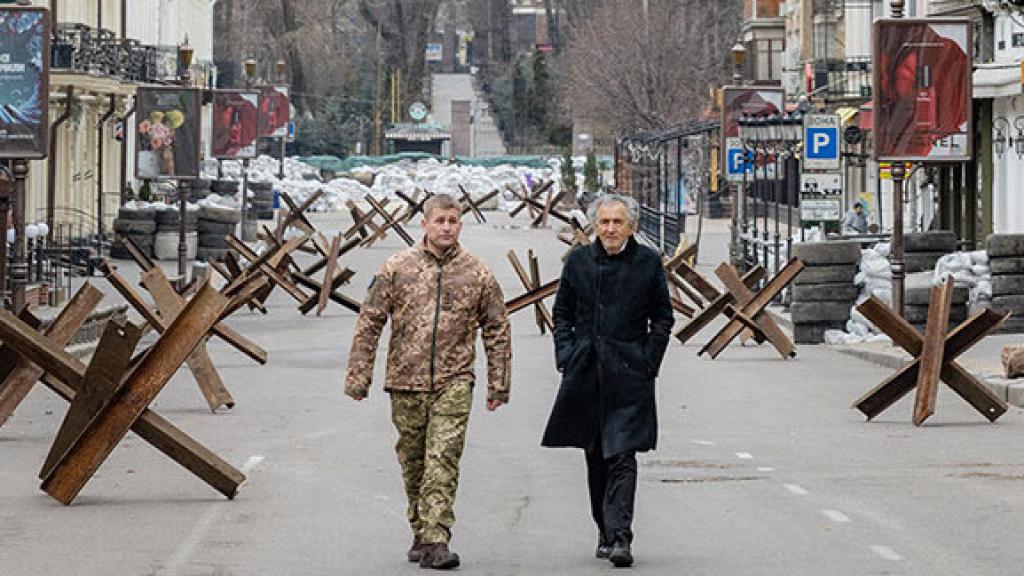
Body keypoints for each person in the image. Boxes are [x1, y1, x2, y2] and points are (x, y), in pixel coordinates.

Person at [344, 193, 511, 570]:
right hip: (406, 380)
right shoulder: (397, 267)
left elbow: (497, 329)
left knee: (443, 457)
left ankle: (436, 539)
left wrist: (498, 385)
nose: (447, 228)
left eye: (453, 221)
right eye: (440, 221)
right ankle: (421, 530)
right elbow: (369, 322)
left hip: (455, 380)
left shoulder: (477, 272)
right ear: (425, 224)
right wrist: (358, 377)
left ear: (460, 224)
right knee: (414, 461)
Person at [541, 193, 674, 568]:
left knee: (622, 453)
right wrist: (567, 354)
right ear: (594, 226)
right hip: (586, 370)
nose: (611, 229)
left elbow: (662, 317)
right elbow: (562, 313)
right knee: (596, 453)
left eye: (618, 222)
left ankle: (621, 537)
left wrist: (648, 360)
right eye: (604, 222)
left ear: (631, 226)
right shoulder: (579, 261)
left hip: (630, 372)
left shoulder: (647, 262)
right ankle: (604, 528)